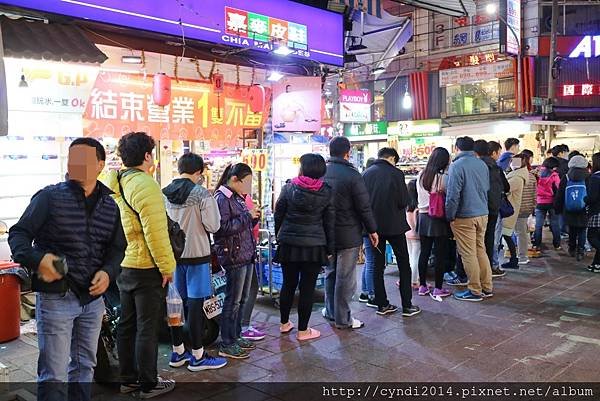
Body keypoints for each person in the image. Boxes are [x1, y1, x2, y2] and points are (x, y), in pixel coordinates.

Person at [8, 138, 125, 401]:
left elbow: (118, 248)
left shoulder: (110, 205)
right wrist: (38, 260)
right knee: (54, 373)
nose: (77, 165)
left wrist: (108, 272)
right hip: (56, 298)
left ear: (100, 165)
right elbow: (18, 235)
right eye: (73, 159)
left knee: (85, 366)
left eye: (84, 159)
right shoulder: (50, 197)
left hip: (93, 301)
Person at [105, 132, 176, 398]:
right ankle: (148, 383)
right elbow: (156, 234)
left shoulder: (112, 182)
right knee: (147, 326)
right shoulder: (146, 185)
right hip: (146, 267)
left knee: (126, 324)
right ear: (147, 156)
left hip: (122, 264)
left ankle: (128, 379)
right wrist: (167, 267)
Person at [162, 153, 227, 371]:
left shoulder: (163, 194)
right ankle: (198, 356)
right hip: (198, 256)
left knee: (175, 306)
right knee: (196, 306)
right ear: (198, 172)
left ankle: (178, 351)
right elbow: (214, 226)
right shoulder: (201, 194)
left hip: (173, 258)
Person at [275, 153, 335, 340]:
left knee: (288, 284)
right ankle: (303, 331)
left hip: (289, 243)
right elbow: (329, 222)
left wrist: (280, 235)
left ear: (303, 168)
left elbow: (279, 214)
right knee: (307, 288)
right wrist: (330, 248)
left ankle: (284, 324)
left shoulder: (288, 188)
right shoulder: (326, 191)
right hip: (314, 246)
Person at [323, 137, 378, 328]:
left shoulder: (321, 172)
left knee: (330, 273)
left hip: (326, 233)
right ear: (348, 152)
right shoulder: (353, 175)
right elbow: (364, 207)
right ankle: (344, 319)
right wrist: (372, 230)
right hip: (348, 233)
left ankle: (330, 312)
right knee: (345, 278)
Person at [363, 147, 421, 317]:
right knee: (403, 264)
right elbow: (404, 200)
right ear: (392, 158)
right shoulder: (396, 173)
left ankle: (382, 304)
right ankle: (407, 306)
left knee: (377, 266)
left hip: (374, 228)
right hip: (395, 226)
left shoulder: (366, 174)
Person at [213, 163, 260, 359]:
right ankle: (227, 342)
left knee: (241, 300)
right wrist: (247, 216)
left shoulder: (238, 198)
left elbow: (242, 224)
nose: (248, 186)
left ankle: (236, 335)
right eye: (246, 182)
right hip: (234, 256)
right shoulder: (222, 198)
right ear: (234, 180)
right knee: (232, 301)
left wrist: (253, 218)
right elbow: (221, 228)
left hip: (246, 254)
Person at [445, 137, 492, 302]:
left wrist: (449, 215)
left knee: (468, 253)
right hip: (482, 213)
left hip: (464, 216)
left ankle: (474, 290)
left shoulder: (456, 166)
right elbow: (486, 188)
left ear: (456, 148)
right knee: (481, 249)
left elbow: (452, 195)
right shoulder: (482, 164)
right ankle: (486, 286)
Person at [415, 147, 451, 298]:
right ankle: (438, 288)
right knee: (439, 254)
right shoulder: (442, 177)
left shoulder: (421, 175)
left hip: (422, 218)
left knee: (424, 252)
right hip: (438, 219)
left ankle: (422, 286)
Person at [475, 140, 509, 278]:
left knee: (478, 239)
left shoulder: (477, 166)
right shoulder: (496, 167)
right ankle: (489, 268)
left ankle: (478, 270)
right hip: (494, 208)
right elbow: (506, 187)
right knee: (490, 238)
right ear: (493, 152)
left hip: (479, 208)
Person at [239, 193, 266, 342]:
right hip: (240, 252)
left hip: (246, 250)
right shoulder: (230, 198)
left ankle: (241, 326)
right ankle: (242, 327)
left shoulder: (242, 197)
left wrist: (254, 218)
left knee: (247, 289)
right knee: (243, 291)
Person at [554, 155, 590, 261]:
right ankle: (581, 250)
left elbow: (560, 194)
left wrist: (558, 208)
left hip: (568, 208)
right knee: (583, 229)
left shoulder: (566, 177)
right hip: (584, 208)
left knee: (572, 229)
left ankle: (572, 248)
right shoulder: (588, 176)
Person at [501, 154, 529, 270]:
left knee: (506, 235)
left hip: (508, 210)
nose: (513, 163)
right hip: (511, 209)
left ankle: (514, 260)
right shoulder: (518, 175)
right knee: (507, 235)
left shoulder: (517, 178)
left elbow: (505, 189)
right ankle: (514, 259)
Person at [359, 156, 377, 304]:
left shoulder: (362, 181)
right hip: (369, 227)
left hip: (363, 227)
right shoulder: (371, 185)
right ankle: (371, 294)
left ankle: (365, 292)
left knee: (368, 261)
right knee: (371, 261)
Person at [534, 157, 562, 252]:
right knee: (555, 224)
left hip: (539, 202)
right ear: (553, 166)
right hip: (551, 202)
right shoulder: (554, 175)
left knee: (538, 225)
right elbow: (559, 188)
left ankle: (537, 244)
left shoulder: (537, 174)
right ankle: (557, 245)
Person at [514, 151, 538, 264]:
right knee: (523, 231)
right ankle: (522, 254)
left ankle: (522, 256)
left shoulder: (517, 176)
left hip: (518, 208)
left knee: (520, 233)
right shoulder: (531, 176)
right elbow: (535, 194)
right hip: (527, 208)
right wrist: (532, 207)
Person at [586, 152, 600, 272]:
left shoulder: (595, 178)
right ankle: (596, 264)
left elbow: (592, 197)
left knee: (592, 237)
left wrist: (585, 199)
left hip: (597, 212)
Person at [406, 179, 421, 289]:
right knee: (416, 258)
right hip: (416, 236)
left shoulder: (406, 207)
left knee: (410, 256)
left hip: (407, 234)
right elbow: (417, 224)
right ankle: (414, 280)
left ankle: (409, 278)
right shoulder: (417, 208)